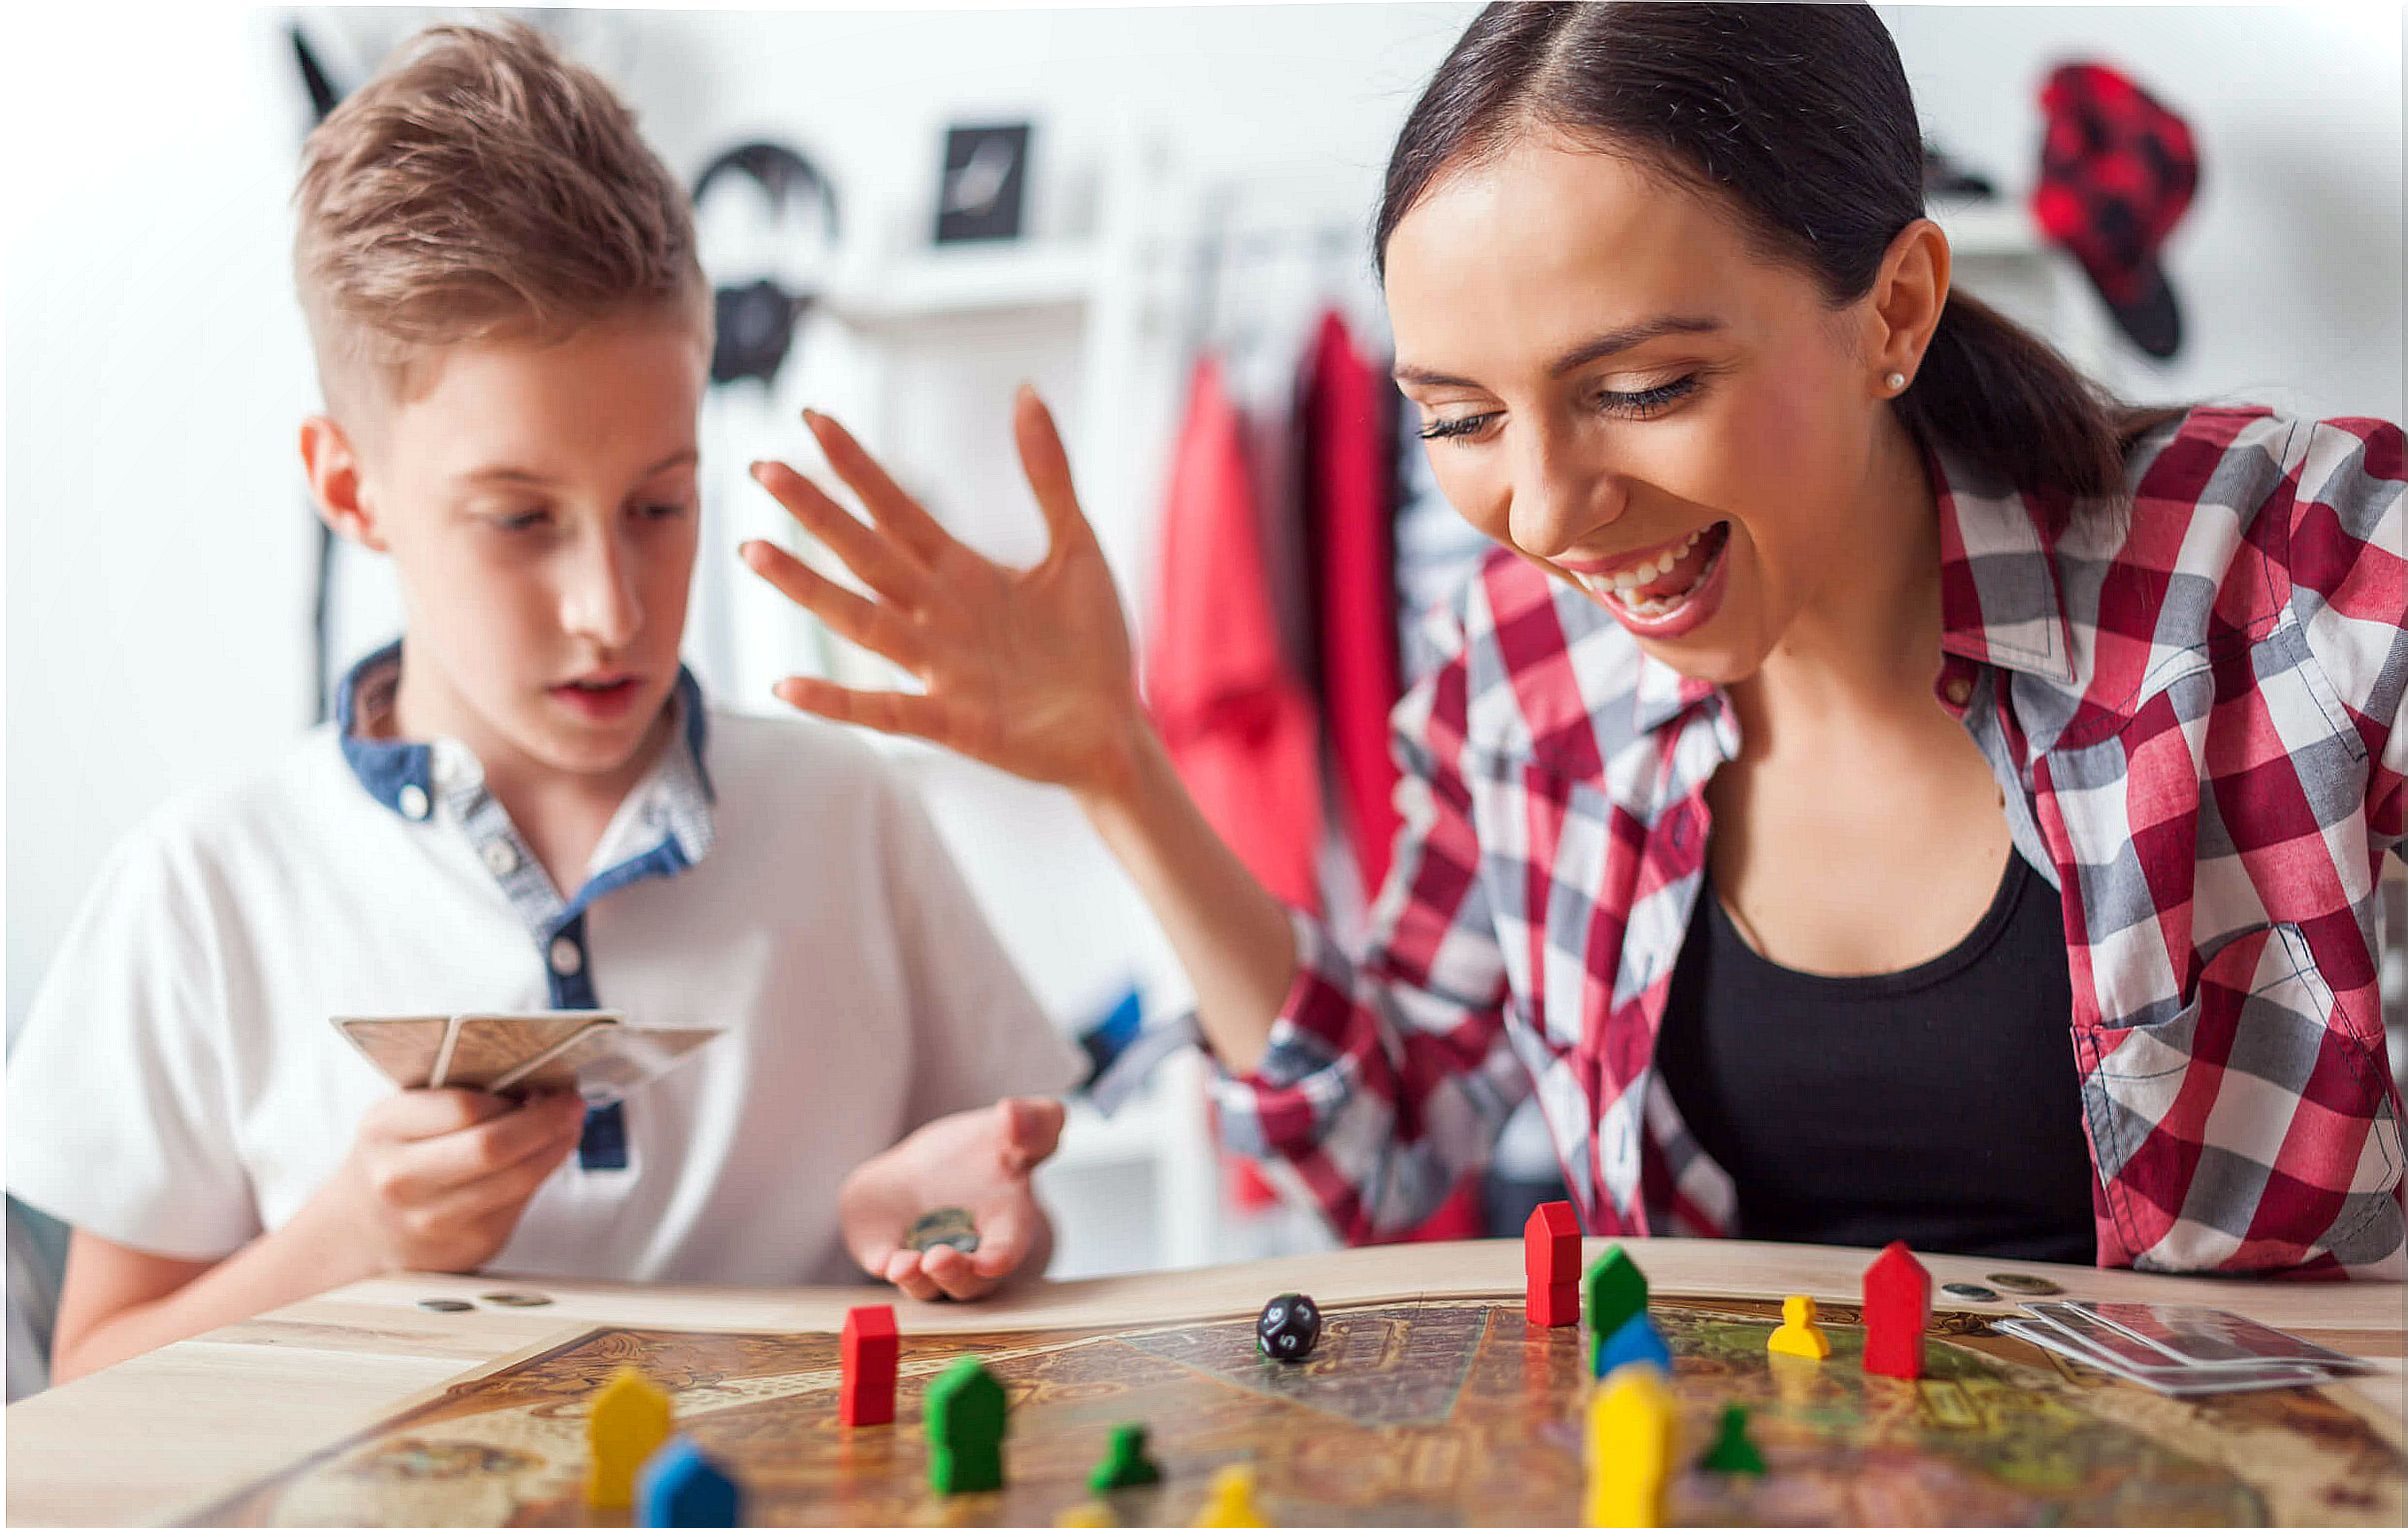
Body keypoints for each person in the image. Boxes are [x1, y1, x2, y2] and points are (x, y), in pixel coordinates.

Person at [741, 1, 2403, 1276]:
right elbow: (1387, 1146)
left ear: (1892, 308)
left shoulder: (2290, 569)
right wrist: (1118, 768)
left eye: (1642, 390)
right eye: (1458, 418)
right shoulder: (1526, 670)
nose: (1542, 510)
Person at [9, 23, 1085, 1384]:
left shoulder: (851, 819)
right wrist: (348, 1238)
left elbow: (1001, 1226)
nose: (612, 609)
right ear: (350, 489)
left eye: (660, 505)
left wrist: (976, 1229)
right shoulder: (203, 891)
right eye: (520, 520)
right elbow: (90, 1385)